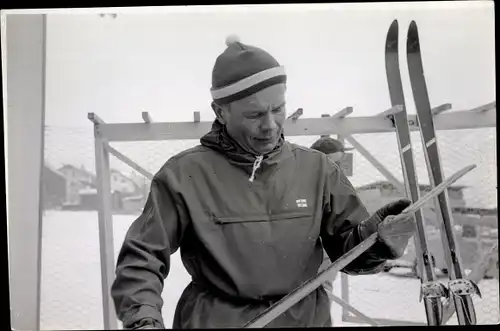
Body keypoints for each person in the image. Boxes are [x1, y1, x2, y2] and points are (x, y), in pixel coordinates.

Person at [111, 36, 416, 329]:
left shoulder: (317, 169)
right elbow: (143, 257)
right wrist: (143, 320)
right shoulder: (183, 175)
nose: (270, 125)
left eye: (277, 109)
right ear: (220, 111)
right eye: (254, 114)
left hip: (304, 320)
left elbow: (347, 253)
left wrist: (377, 239)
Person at [309, 136, 354, 315]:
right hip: (301, 253)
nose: (338, 168)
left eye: (340, 162)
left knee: (321, 294)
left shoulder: (338, 185)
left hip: (325, 253)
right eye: (333, 162)